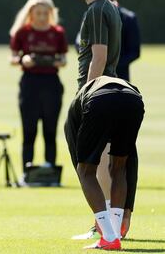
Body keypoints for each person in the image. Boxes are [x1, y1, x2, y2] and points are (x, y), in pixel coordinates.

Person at [64, 76, 144, 250]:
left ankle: (108, 237)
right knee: (119, 167)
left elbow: (81, 168)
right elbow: (131, 161)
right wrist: (127, 210)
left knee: (86, 171)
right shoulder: (81, 108)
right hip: (134, 100)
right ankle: (114, 234)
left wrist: (85, 172)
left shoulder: (72, 117)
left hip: (100, 100)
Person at [9, 0, 67, 174]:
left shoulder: (57, 32)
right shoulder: (23, 32)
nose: (42, 17)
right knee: (29, 131)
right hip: (30, 83)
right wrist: (23, 60)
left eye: (45, 13)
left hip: (51, 83)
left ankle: (50, 171)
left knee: (50, 131)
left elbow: (64, 58)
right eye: (38, 13)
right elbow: (12, 57)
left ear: (50, 13)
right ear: (31, 13)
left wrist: (57, 61)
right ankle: (27, 172)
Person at [104, 0, 141, 81]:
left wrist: (108, 66)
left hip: (119, 78)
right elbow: (135, 52)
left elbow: (79, 43)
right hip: (119, 80)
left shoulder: (129, 18)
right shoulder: (130, 17)